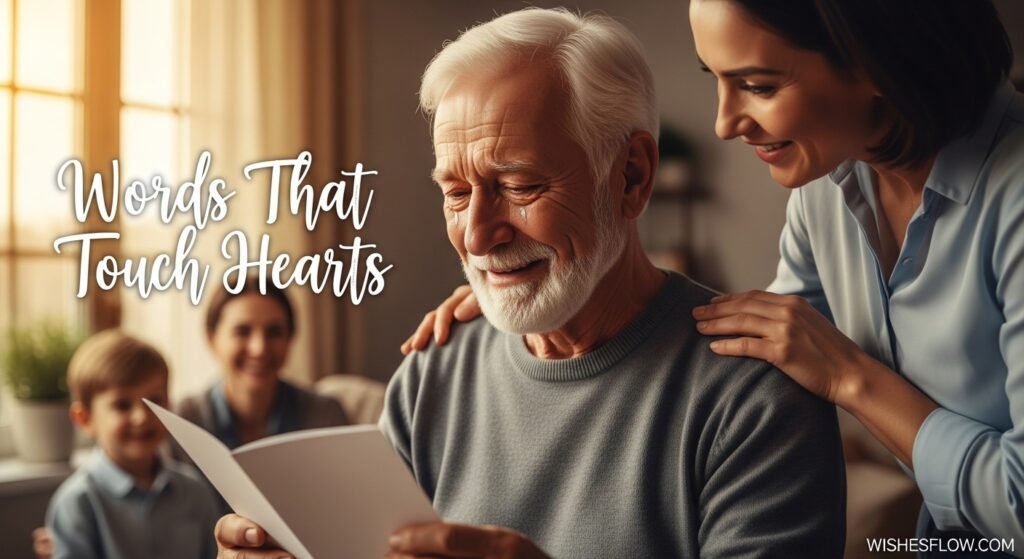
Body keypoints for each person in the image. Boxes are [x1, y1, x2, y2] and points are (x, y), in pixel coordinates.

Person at [214, 8, 845, 558]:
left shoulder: (757, 399)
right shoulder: (431, 375)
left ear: (630, 176)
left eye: (519, 186)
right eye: (456, 193)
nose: (478, 234)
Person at [408, 1, 1024, 555]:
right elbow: (757, 348)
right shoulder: (827, 194)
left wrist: (850, 377)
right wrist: (518, 291)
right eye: (456, 193)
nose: (724, 123)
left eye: (756, 84)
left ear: (874, 63)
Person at [46, 330, 220, 559]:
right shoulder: (77, 503)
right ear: (85, 418)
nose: (141, 417)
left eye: (154, 400)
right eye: (122, 405)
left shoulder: (194, 491)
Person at [176, 278, 348, 451]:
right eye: (242, 331)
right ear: (211, 339)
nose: (259, 349)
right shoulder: (183, 421)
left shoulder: (324, 418)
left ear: (291, 338)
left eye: (274, 332)